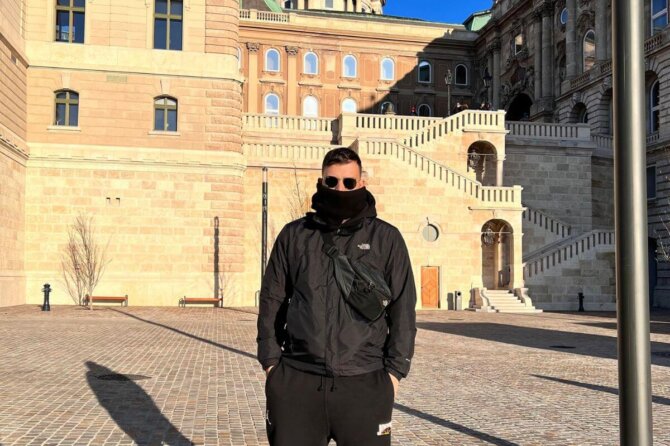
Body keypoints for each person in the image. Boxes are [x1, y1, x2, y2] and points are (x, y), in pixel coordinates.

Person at [257, 147, 417, 446]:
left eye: (348, 182)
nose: (340, 189)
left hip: (365, 383)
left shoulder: (386, 238)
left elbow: (403, 309)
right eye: (332, 182)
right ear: (321, 182)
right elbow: (271, 301)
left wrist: (394, 375)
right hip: (297, 381)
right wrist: (271, 364)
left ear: (362, 183)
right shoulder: (294, 235)